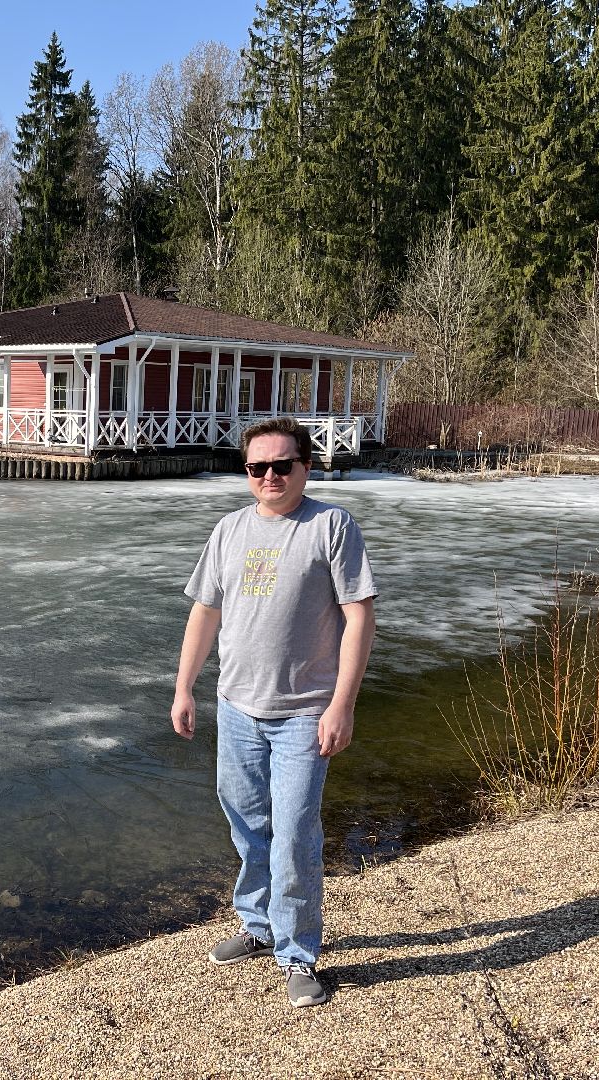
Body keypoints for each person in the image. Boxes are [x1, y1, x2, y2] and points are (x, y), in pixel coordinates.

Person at [171, 417, 376, 1008]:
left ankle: (298, 953)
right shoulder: (229, 530)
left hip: (305, 714)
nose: (269, 476)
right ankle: (257, 926)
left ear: (305, 468)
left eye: (281, 465)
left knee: (292, 834)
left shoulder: (331, 526)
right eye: (257, 467)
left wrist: (343, 704)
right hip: (235, 708)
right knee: (247, 826)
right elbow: (205, 613)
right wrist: (185, 689)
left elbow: (359, 617)